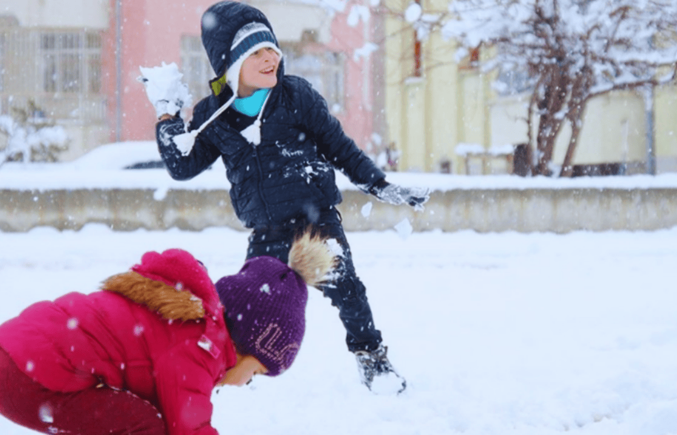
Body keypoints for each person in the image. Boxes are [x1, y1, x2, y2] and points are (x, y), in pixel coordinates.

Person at [141, 0, 428, 393]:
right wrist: (167, 116)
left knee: (348, 291)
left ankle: (372, 359)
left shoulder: (295, 96)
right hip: (266, 230)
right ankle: (232, 368)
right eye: (256, 52)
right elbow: (182, 165)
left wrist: (379, 184)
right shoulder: (213, 115)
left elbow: (339, 147)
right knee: (245, 308)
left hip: (316, 223)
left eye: (271, 48)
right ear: (231, 64)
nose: (270, 58)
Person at [0, 232, 334, 435]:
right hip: (27, 378)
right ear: (246, 343)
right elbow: (188, 428)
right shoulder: (200, 346)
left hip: (16, 357)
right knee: (144, 426)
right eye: (257, 372)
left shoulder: (189, 323)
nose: (246, 382)